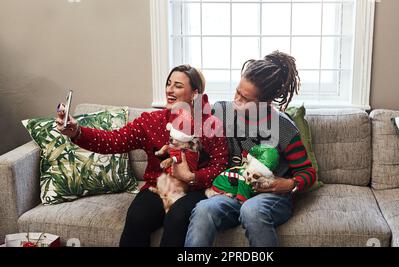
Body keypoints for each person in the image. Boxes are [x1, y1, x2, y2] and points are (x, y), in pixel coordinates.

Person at [55, 65, 228, 247]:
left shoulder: (211, 125)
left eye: (177, 85)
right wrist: (77, 132)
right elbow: (113, 141)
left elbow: (220, 165)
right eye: (168, 84)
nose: (169, 89)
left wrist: (192, 177)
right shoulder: (151, 122)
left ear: (194, 94)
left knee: (177, 219)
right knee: (138, 217)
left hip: (195, 191)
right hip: (158, 187)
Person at [185, 51, 317, 247]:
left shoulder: (283, 127)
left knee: (251, 210)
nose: (237, 100)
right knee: (204, 209)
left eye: (245, 98)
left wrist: (287, 184)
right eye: (237, 91)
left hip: (269, 197)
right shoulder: (222, 112)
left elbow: (308, 172)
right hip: (233, 193)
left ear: (265, 103)